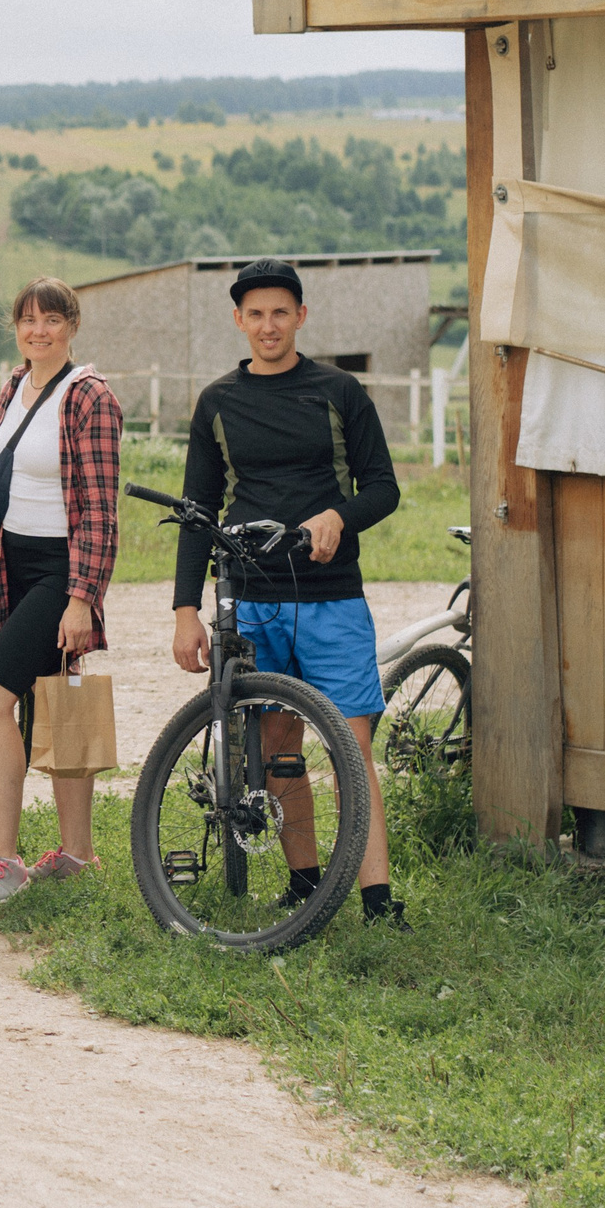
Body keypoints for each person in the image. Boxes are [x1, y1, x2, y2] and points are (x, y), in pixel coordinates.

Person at [173, 258, 406, 928]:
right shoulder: (217, 402)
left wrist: (340, 516)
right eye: (255, 314)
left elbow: (383, 487)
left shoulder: (338, 390)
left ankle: (378, 902)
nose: (268, 324)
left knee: (352, 749)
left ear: (301, 316)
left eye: (281, 312)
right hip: (252, 594)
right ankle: (306, 883)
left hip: (331, 596)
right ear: (239, 320)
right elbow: (196, 510)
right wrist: (186, 608)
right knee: (278, 747)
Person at [0, 277, 122, 904]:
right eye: (28, 320)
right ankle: (77, 853)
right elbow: (6, 481)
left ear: (71, 326)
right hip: (16, 565)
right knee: (55, 699)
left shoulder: (89, 397)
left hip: (61, 571)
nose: (38, 330)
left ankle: (4, 858)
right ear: (15, 328)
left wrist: (82, 597)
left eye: (52, 319)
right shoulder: (12, 390)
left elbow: (101, 510)